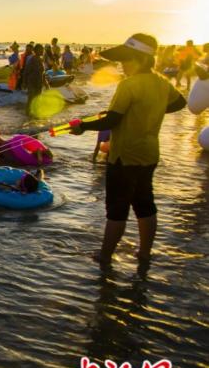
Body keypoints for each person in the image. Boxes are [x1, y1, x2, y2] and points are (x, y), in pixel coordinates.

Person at [70, 33, 187, 269]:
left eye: (126, 59)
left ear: (140, 59)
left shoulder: (129, 85)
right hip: (149, 154)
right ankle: (144, 253)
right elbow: (180, 103)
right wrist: (149, 110)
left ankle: (105, 256)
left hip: (124, 156)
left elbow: (112, 120)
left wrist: (82, 126)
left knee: (117, 208)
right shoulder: (161, 82)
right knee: (145, 204)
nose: (122, 65)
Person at [23, 44, 48, 116]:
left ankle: (35, 114)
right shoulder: (32, 60)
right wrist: (24, 83)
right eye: (41, 50)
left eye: (43, 49)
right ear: (36, 51)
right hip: (32, 83)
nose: (43, 51)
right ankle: (27, 115)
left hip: (39, 83)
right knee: (31, 99)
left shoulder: (41, 60)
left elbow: (43, 73)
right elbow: (26, 72)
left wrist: (46, 83)